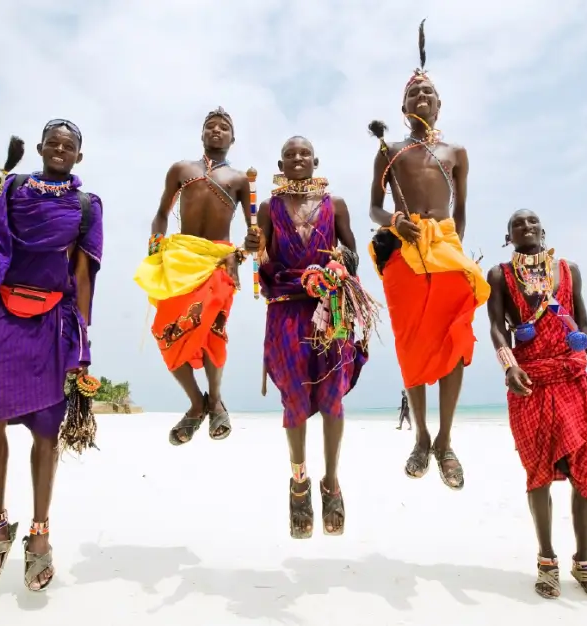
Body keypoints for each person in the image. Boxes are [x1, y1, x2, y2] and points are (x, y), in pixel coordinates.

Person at [0, 119, 103, 592]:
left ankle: (40, 535)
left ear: (79, 156)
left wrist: (84, 343)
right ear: (39, 148)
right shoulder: (11, 187)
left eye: (69, 145)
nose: (60, 148)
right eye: (53, 142)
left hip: (53, 323)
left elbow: (82, 275)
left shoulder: (86, 206)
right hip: (0, 316)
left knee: (46, 429)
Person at [367, 20, 490, 491]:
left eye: (429, 94)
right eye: (414, 94)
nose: (422, 99)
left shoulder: (456, 150)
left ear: (440, 105)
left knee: (457, 340)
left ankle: (445, 440)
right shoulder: (390, 151)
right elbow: (374, 208)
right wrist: (393, 223)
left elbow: (461, 211)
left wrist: (452, 249)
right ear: (402, 107)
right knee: (411, 346)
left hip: (446, 250)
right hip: (403, 251)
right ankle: (419, 437)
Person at [486, 208, 587, 603]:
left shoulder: (568, 271)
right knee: (539, 473)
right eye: (518, 224)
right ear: (509, 236)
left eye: (532, 222)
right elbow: (497, 327)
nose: (526, 227)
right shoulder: (500, 275)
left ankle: (584, 564)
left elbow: (584, 323)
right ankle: (546, 561)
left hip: (574, 380)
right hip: (529, 384)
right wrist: (509, 366)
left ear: (543, 229)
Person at [244, 136, 378, 538]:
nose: (297, 158)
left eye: (304, 153)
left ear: (315, 160)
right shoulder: (267, 207)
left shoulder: (334, 206)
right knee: (295, 397)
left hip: (330, 307)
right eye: (289, 154)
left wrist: (340, 265)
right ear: (280, 163)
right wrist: (256, 247)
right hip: (286, 307)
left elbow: (353, 252)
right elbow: (261, 260)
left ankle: (331, 483)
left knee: (333, 395)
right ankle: (299, 482)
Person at [134, 107, 248, 445]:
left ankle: (215, 401)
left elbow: (256, 232)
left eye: (223, 127)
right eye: (210, 126)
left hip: (218, 262)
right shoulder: (181, 170)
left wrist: (239, 254)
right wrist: (156, 250)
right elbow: (161, 214)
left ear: (232, 138)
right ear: (201, 134)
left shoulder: (240, 180)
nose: (216, 130)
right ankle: (197, 404)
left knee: (213, 329)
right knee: (163, 330)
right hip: (179, 258)